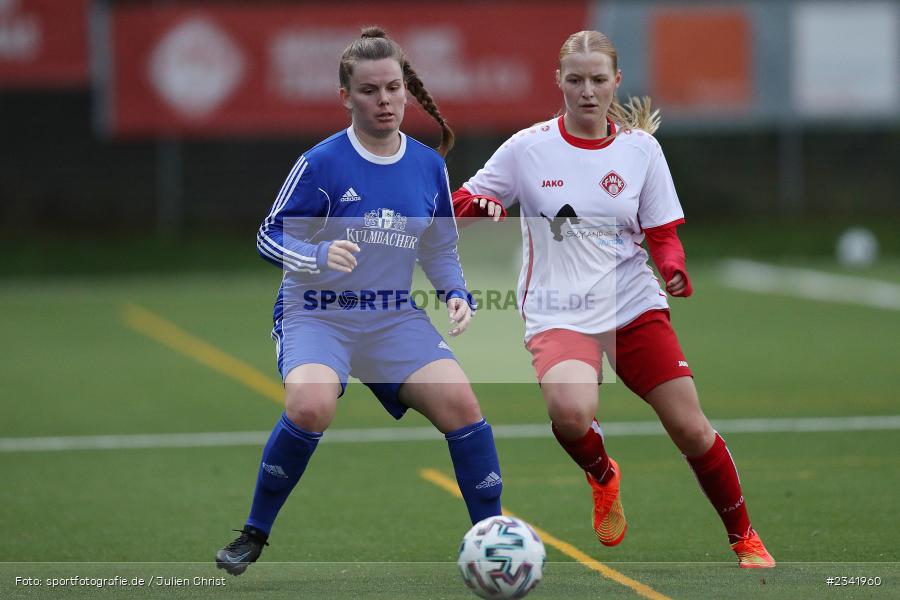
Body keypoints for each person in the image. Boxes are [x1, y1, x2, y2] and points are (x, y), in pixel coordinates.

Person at [452, 30, 774, 569]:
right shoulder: (527, 148)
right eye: (575, 80)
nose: (586, 91)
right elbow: (463, 199)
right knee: (571, 413)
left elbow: (663, 231)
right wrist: (481, 205)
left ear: (616, 82)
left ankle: (744, 536)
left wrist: (672, 267)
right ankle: (602, 473)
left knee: (691, 427)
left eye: (598, 80)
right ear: (558, 81)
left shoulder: (641, 150)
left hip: (632, 303)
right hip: (559, 310)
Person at [215, 27, 503, 575]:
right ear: (345, 96)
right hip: (318, 315)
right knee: (310, 406)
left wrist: (457, 294)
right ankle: (254, 532)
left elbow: (440, 248)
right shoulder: (322, 162)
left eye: (393, 88)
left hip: (393, 317)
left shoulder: (427, 166)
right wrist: (317, 258)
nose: (384, 100)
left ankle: (492, 544)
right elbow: (268, 236)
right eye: (369, 90)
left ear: (406, 91)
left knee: (464, 407)